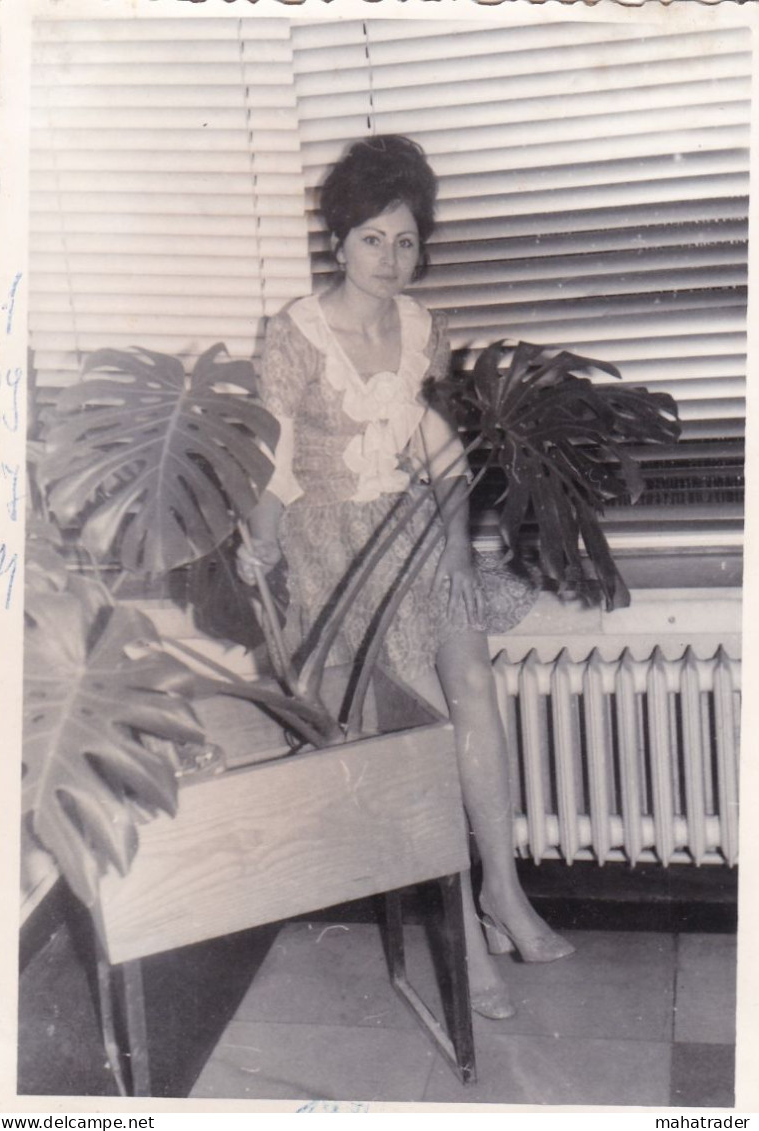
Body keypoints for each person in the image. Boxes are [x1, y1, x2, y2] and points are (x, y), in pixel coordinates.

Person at [237, 135, 573, 1020]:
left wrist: (458, 550)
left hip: (419, 531)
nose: (391, 258)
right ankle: (462, 929)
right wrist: (257, 545)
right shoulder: (295, 334)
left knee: (472, 680)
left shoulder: (424, 327)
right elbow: (273, 469)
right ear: (340, 240)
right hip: (331, 547)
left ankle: (503, 889)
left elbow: (439, 451)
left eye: (407, 239)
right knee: (422, 718)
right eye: (373, 239)